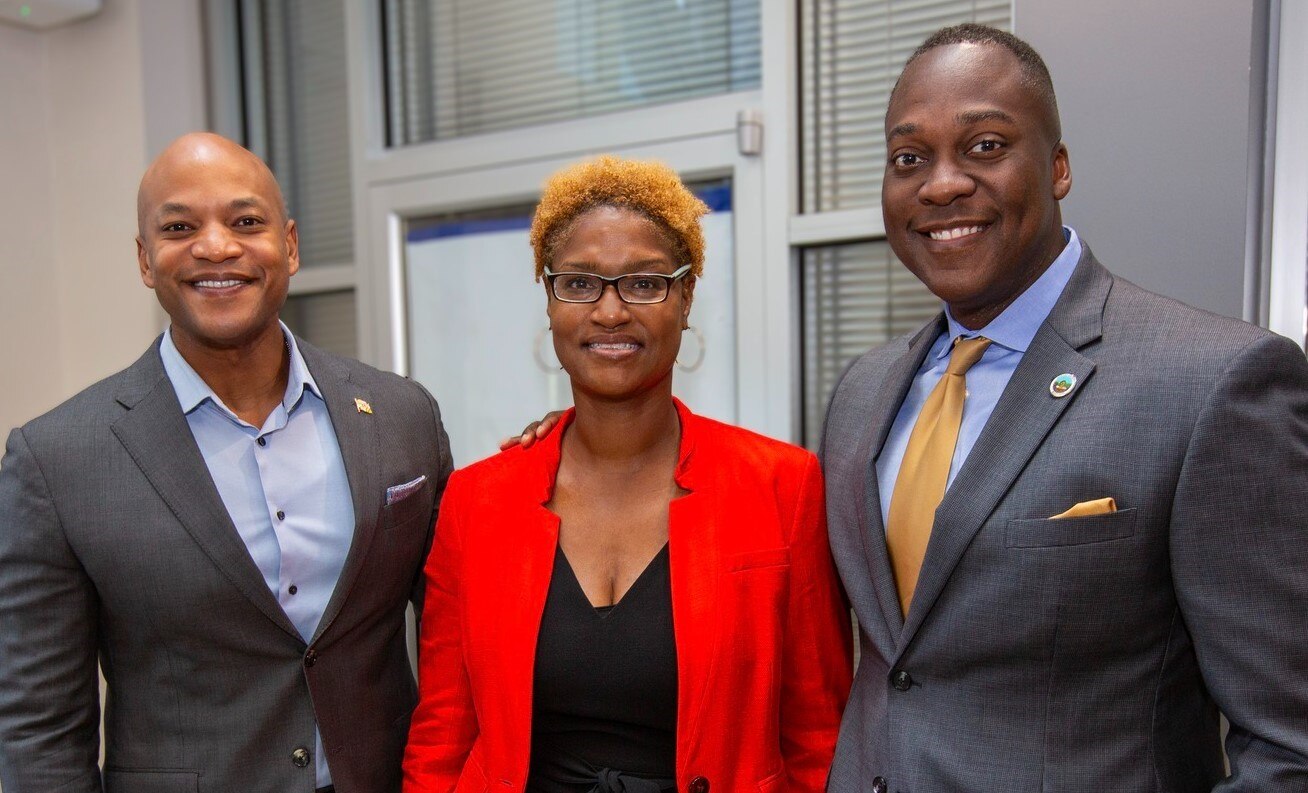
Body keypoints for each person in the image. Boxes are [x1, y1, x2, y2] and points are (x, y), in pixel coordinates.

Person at [821, 23, 1308, 792]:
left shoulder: (1212, 381)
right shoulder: (861, 393)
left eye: (984, 145)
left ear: (1057, 167)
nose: (941, 183)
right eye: (908, 158)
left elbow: (1289, 743)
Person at [0, 132, 453, 793]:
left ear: (290, 246)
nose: (216, 246)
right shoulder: (57, 460)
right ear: (146, 259)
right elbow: (38, 732)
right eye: (180, 226)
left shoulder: (401, 414)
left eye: (245, 221)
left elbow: (461, 634)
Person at [402, 155, 851, 793]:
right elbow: (443, 733)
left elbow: (816, 736)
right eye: (580, 283)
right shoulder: (476, 500)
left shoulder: (782, 486)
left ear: (686, 296)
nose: (610, 312)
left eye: (644, 283)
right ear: (550, 300)